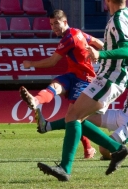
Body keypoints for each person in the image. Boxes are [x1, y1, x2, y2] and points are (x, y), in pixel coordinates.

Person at [37, 0, 128, 181]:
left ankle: (65, 168)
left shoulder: (117, 20)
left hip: (111, 77)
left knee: (73, 116)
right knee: (76, 117)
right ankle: (117, 149)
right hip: (108, 77)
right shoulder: (126, 14)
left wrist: (101, 55)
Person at [39, 46, 128, 160]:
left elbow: (123, 83)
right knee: (81, 117)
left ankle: (115, 155)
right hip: (122, 114)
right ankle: (47, 126)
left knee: (104, 149)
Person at [18, 10, 103, 159]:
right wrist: (101, 53)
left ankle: (92, 147)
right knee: (56, 85)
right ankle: (36, 100)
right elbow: (97, 41)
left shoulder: (69, 38)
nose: (54, 27)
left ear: (65, 22)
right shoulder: (78, 32)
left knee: (74, 118)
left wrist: (30, 63)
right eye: (51, 24)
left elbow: (52, 62)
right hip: (72, 75)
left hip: (84, 80)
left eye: (56, 23)